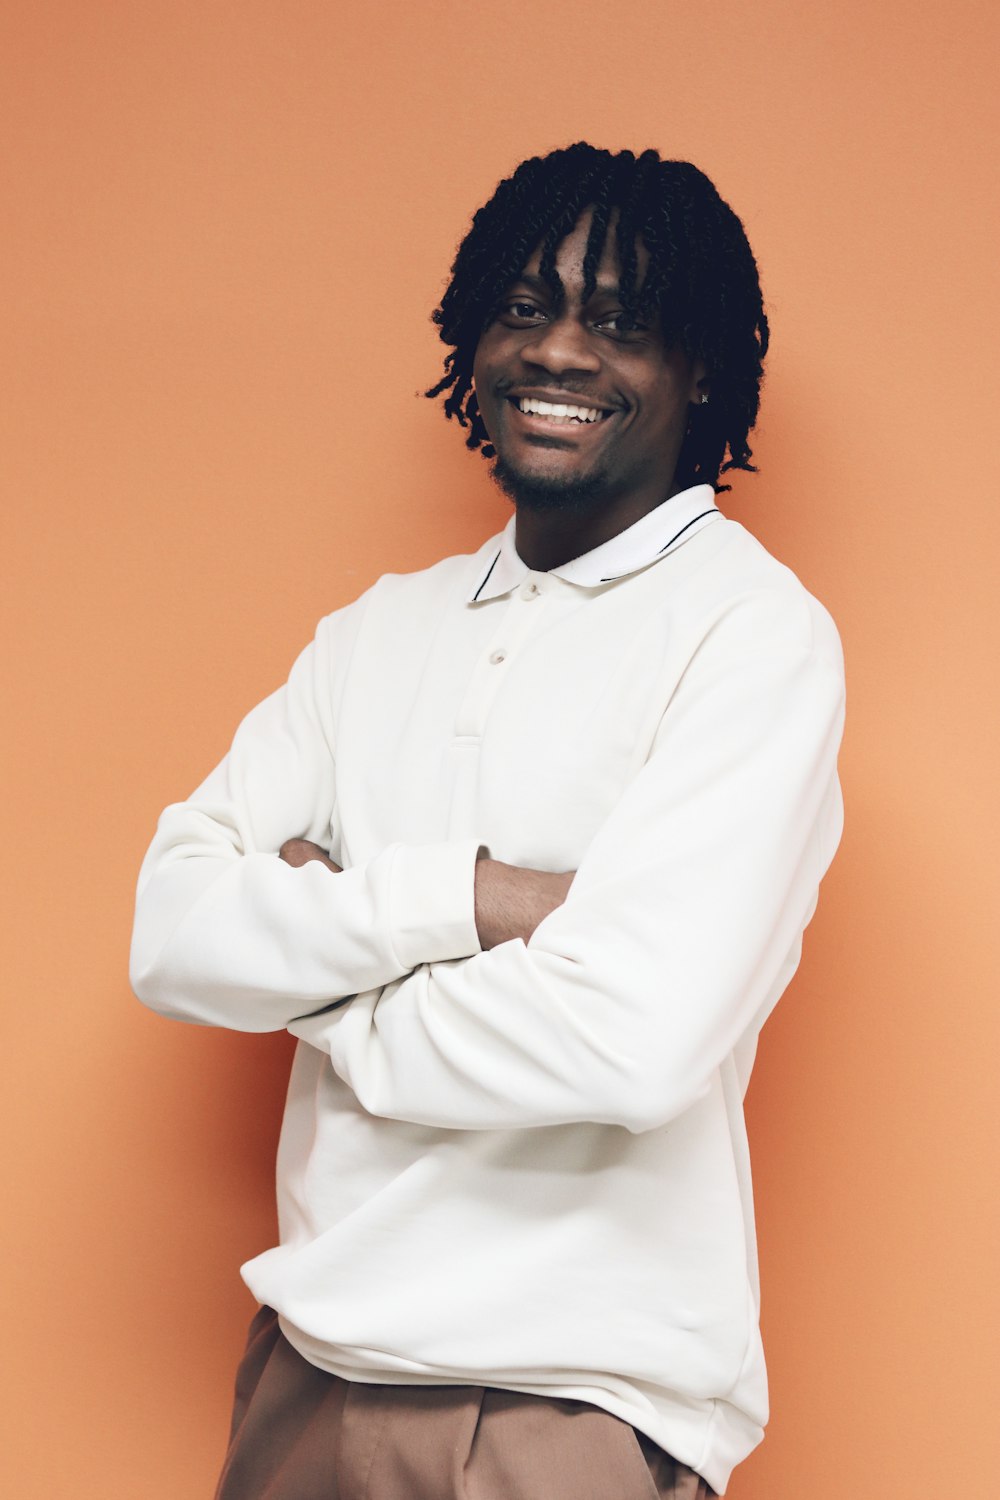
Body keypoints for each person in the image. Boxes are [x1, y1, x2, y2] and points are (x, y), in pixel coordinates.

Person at [130, 142, 845, 1499]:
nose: (561, 353)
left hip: (563, 1407)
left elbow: (629, 1045)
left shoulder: (752, 639)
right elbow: (174, 932)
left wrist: (324, 996)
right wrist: (469, 896)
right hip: (306, 1372)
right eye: (526, 309)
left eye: (622, 323)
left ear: (700, 370)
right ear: (474, 339)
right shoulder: (374, 634)